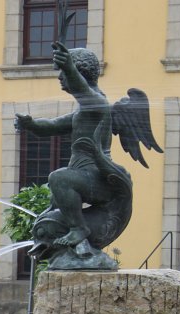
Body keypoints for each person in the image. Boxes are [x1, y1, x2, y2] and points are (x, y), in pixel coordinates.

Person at [14, 42, 113, 252]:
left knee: (59, 178)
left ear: (80, 74)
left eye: (63, 73)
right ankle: (78, 247)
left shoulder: (97, 104)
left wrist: (69, 68)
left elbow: (83, 91)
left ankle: (79, 228)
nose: (60, 77)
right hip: (85, 178)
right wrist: (31, 124)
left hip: (98, 179)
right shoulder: (82, 112)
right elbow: (52, 126)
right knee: (52, 209)